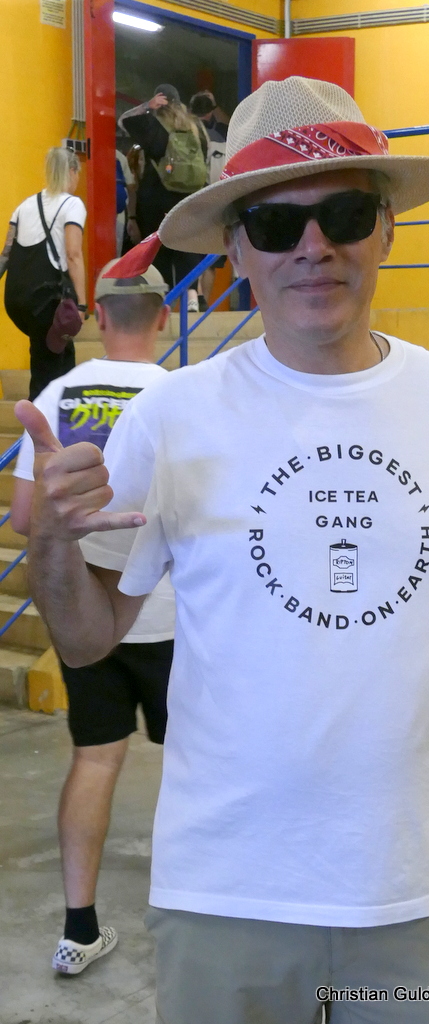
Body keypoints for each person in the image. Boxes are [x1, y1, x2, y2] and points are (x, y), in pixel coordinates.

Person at [16, 77, 429, 1022]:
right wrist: (52, 541)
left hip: (424, 884)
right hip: (227, 890)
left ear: (385, 230)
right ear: (233, 251)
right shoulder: (171, 417)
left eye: (342, 214)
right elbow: (90, 636)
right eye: (274, 223)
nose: (313, 246)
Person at [12, 263, 176, 976]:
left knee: (95, 758)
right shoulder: (182, 396)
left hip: (84, 619)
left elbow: (26, 520)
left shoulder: (55, 395)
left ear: (98, 317)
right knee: (198, 764)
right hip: (173, 620)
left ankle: (78, 929)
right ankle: (200, 920)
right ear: (163, 315)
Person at [0, 147, 87, 399]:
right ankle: (37, 417)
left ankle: (58, 410)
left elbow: (5, 254)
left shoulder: (23, 206)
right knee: (47, 370)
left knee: (58, 354)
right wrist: (82, 304)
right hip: (45, 301)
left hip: (16, 300)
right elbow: (73, 254)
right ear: (72, 171)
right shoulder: (72, 204)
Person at [119, 84, 208, 311]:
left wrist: (147, 106)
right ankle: (192, 297)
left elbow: (123, 120)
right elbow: (204, 159)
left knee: (159, 249)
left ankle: (164, 302)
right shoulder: (196, 127)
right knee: (187, 246)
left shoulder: (153, 124)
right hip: (189, 198)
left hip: (155, 198)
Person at [189, 91, 228, 311]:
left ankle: (197, 296)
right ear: (211, 111)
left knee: (193, 249)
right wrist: (215, 102)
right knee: (212, 255)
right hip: (217, 198)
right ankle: (206, 302)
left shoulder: (187, 133)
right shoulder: (220, 134)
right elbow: (229, 122)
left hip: (193, 197)